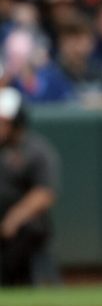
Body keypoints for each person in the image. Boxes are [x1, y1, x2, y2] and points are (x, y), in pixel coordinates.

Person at [0, 87, 60, 286]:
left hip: (21, 224)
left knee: (30, 227)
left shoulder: (35, 150)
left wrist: (14, 218)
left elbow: (45, 193)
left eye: (4, 122)